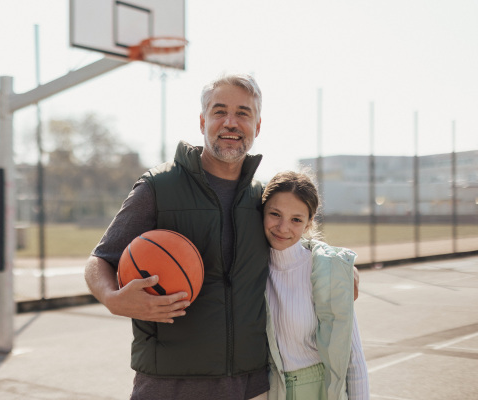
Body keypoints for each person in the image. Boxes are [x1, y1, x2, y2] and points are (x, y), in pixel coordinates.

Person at [85, 73, 271, 399]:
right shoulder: (159, 187)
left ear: (257, 126)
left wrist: (341, 270)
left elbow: (299, 244)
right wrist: (113, 299)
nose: (230, 122)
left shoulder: (264, 197)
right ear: (202, 121)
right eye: (219, 111)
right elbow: (100, 260)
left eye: (243, 113)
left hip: (250, 382)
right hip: (169, 383)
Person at [262, 171, 369, 400]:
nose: (283, 227)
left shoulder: (328, 270)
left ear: (309, 223)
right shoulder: (250, 268)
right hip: (269, 390)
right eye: (275, 214)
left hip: (319, 390)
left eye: (296, 219)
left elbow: (353, 358)